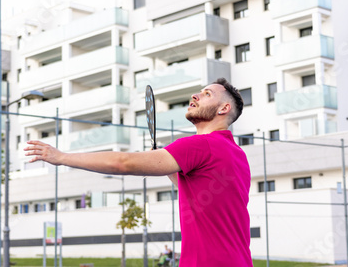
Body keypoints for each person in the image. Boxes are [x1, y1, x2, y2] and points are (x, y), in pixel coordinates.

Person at [24, 77, 252, 266]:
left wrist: (62, 157)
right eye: (199, 92)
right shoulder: (237, 155)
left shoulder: (200, 145)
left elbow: (122, 162)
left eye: (207, 94)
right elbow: (200, 190)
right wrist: (165, 166)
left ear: (224, 108)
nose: (196, 95)